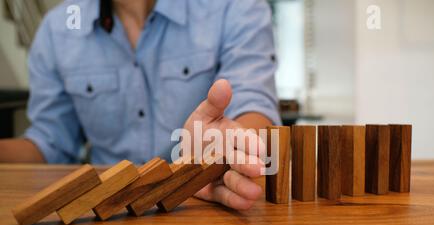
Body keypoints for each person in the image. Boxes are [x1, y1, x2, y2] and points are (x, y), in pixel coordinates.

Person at [0, 0, 281, 210]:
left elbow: (254, 104)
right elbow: (49, 143)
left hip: (202, 209)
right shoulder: (56, 30)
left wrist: (230, 148)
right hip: (105, 217)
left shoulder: (236, 7)